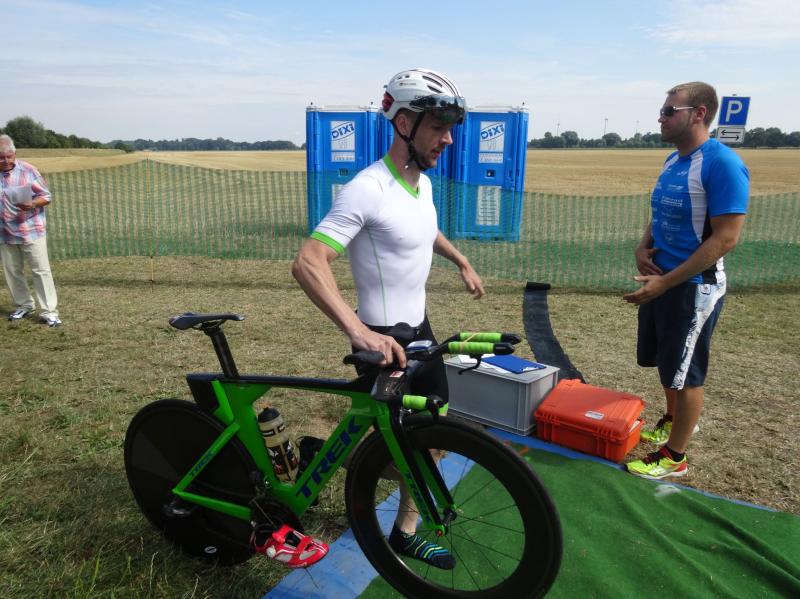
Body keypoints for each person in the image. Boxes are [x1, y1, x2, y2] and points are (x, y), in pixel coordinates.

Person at [293, 68, 484, 568]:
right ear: (403, 122)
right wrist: (358, 332)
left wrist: (460, 260)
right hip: (383, 338)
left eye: (451, 128)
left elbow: (422, 231)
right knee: (407, 443)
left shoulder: (422, 185)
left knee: (433, 436)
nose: (448, 139)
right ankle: (330, 460)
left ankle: (402, 529)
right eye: (438, 126)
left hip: (420, 329)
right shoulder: (367, 189)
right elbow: (309, 262)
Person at [623, 82, 749, 480]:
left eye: (669, 111)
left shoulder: (722, 163)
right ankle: (672, 419)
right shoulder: (672, 160)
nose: (660, 118)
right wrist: (643, 246)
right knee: (667, 364)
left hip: (694, 288)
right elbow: (659, 211)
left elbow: (726, 238)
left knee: (687, 372)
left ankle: (675, 456)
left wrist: (668, 282)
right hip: (663, 281)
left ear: (698, 113)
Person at [0, 134, 61, 327]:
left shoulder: (28, 170)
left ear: (14, 154)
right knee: (12, 271)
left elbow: (46, 196)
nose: (5, 161)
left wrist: (32, 203)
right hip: (4, 232)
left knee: (40, 270)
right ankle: (24, 305)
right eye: (1, 158)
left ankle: (49, 311)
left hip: (30, 229)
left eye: (8, 156)